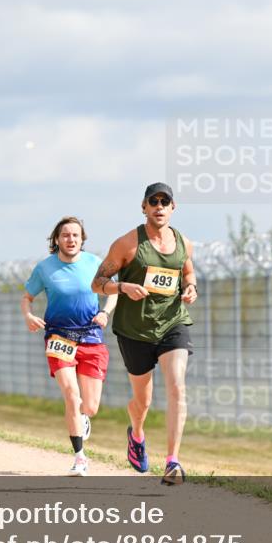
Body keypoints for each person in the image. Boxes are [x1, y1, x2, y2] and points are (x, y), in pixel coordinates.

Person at [91, 183, 197, 485]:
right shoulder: (127, 244)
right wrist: (122, 287)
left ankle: (172, 461)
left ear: (173, 208)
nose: (159, 207)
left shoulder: (183, 243)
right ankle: (136, 434)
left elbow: (187, 272)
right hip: (134, 330)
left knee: (177, 385)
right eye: (154, 201)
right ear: (144, 206)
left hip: (172, 322)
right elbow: (97, 283)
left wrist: (191, 288)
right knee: (143, 400)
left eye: (165, 202)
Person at [21, 216, 117, 476]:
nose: (71, 239)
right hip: (59, 338)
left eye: (75, 235)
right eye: (65, 235)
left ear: (82, 239)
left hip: (90, 337)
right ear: (57, 240)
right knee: (71, 395)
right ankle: (80, 457)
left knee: (90, 406)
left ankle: (83, 418)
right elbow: (27, 298)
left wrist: (105, 313)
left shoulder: (94, 264)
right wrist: (29, 316)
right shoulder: (45, 268)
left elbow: (112, 292)